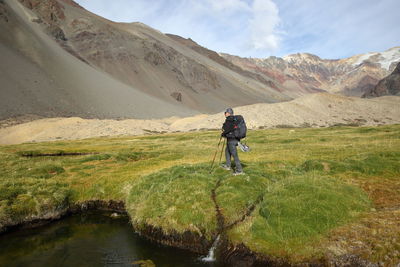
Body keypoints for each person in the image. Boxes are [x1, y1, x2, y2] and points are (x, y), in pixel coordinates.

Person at [221, 108, 244, 175]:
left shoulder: (229, 120)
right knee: (227, 151)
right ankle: (228, 165)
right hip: (234, 139)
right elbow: (231, 129)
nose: (225, 114)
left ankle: (239, 170)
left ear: (228, 113)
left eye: (226, 112)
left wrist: (223, 133)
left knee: (234, 155)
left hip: (232, 140)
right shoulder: (234, 119)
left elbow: (227, 129)